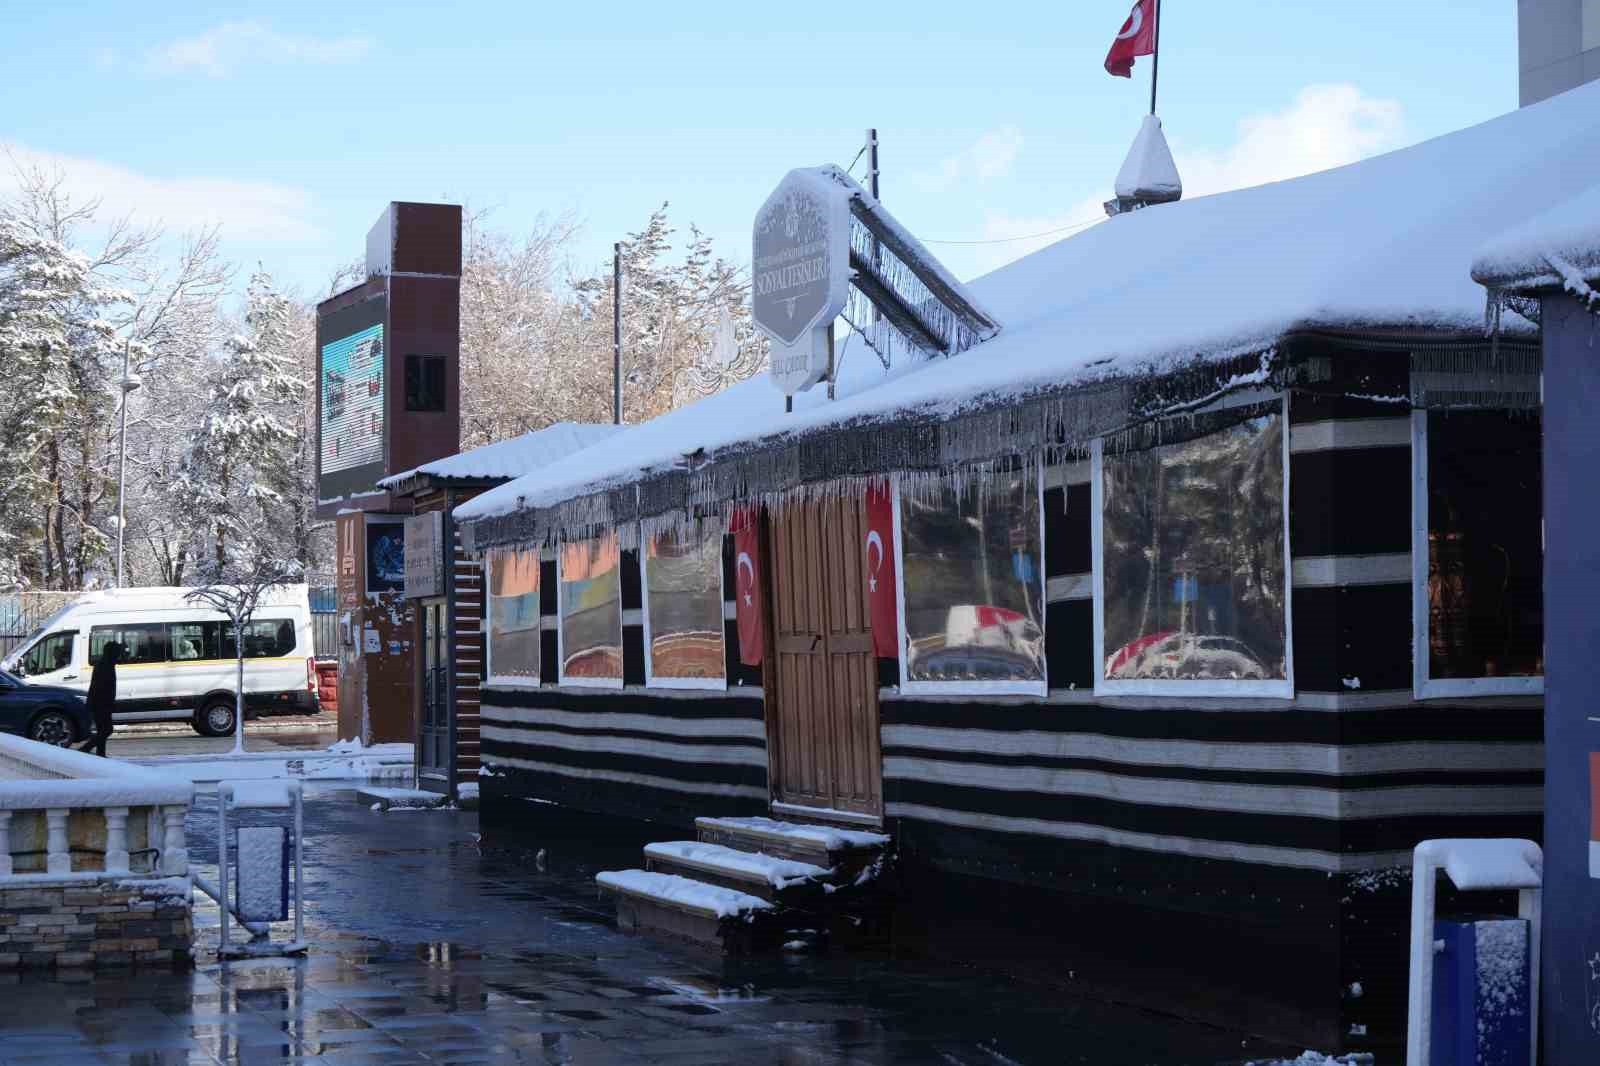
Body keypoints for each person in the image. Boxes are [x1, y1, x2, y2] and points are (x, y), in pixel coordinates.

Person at [85, 642, 122, 757]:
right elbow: (101, 687)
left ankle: (100, 755)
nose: (119, 656)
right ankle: (85, 749)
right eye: (117, 653)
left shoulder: (104, 663)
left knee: (103, 730)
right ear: (112, 653)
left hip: (99, 703)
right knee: (107, 730)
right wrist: (109, 704)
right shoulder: (105, 665)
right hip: (101, 704)